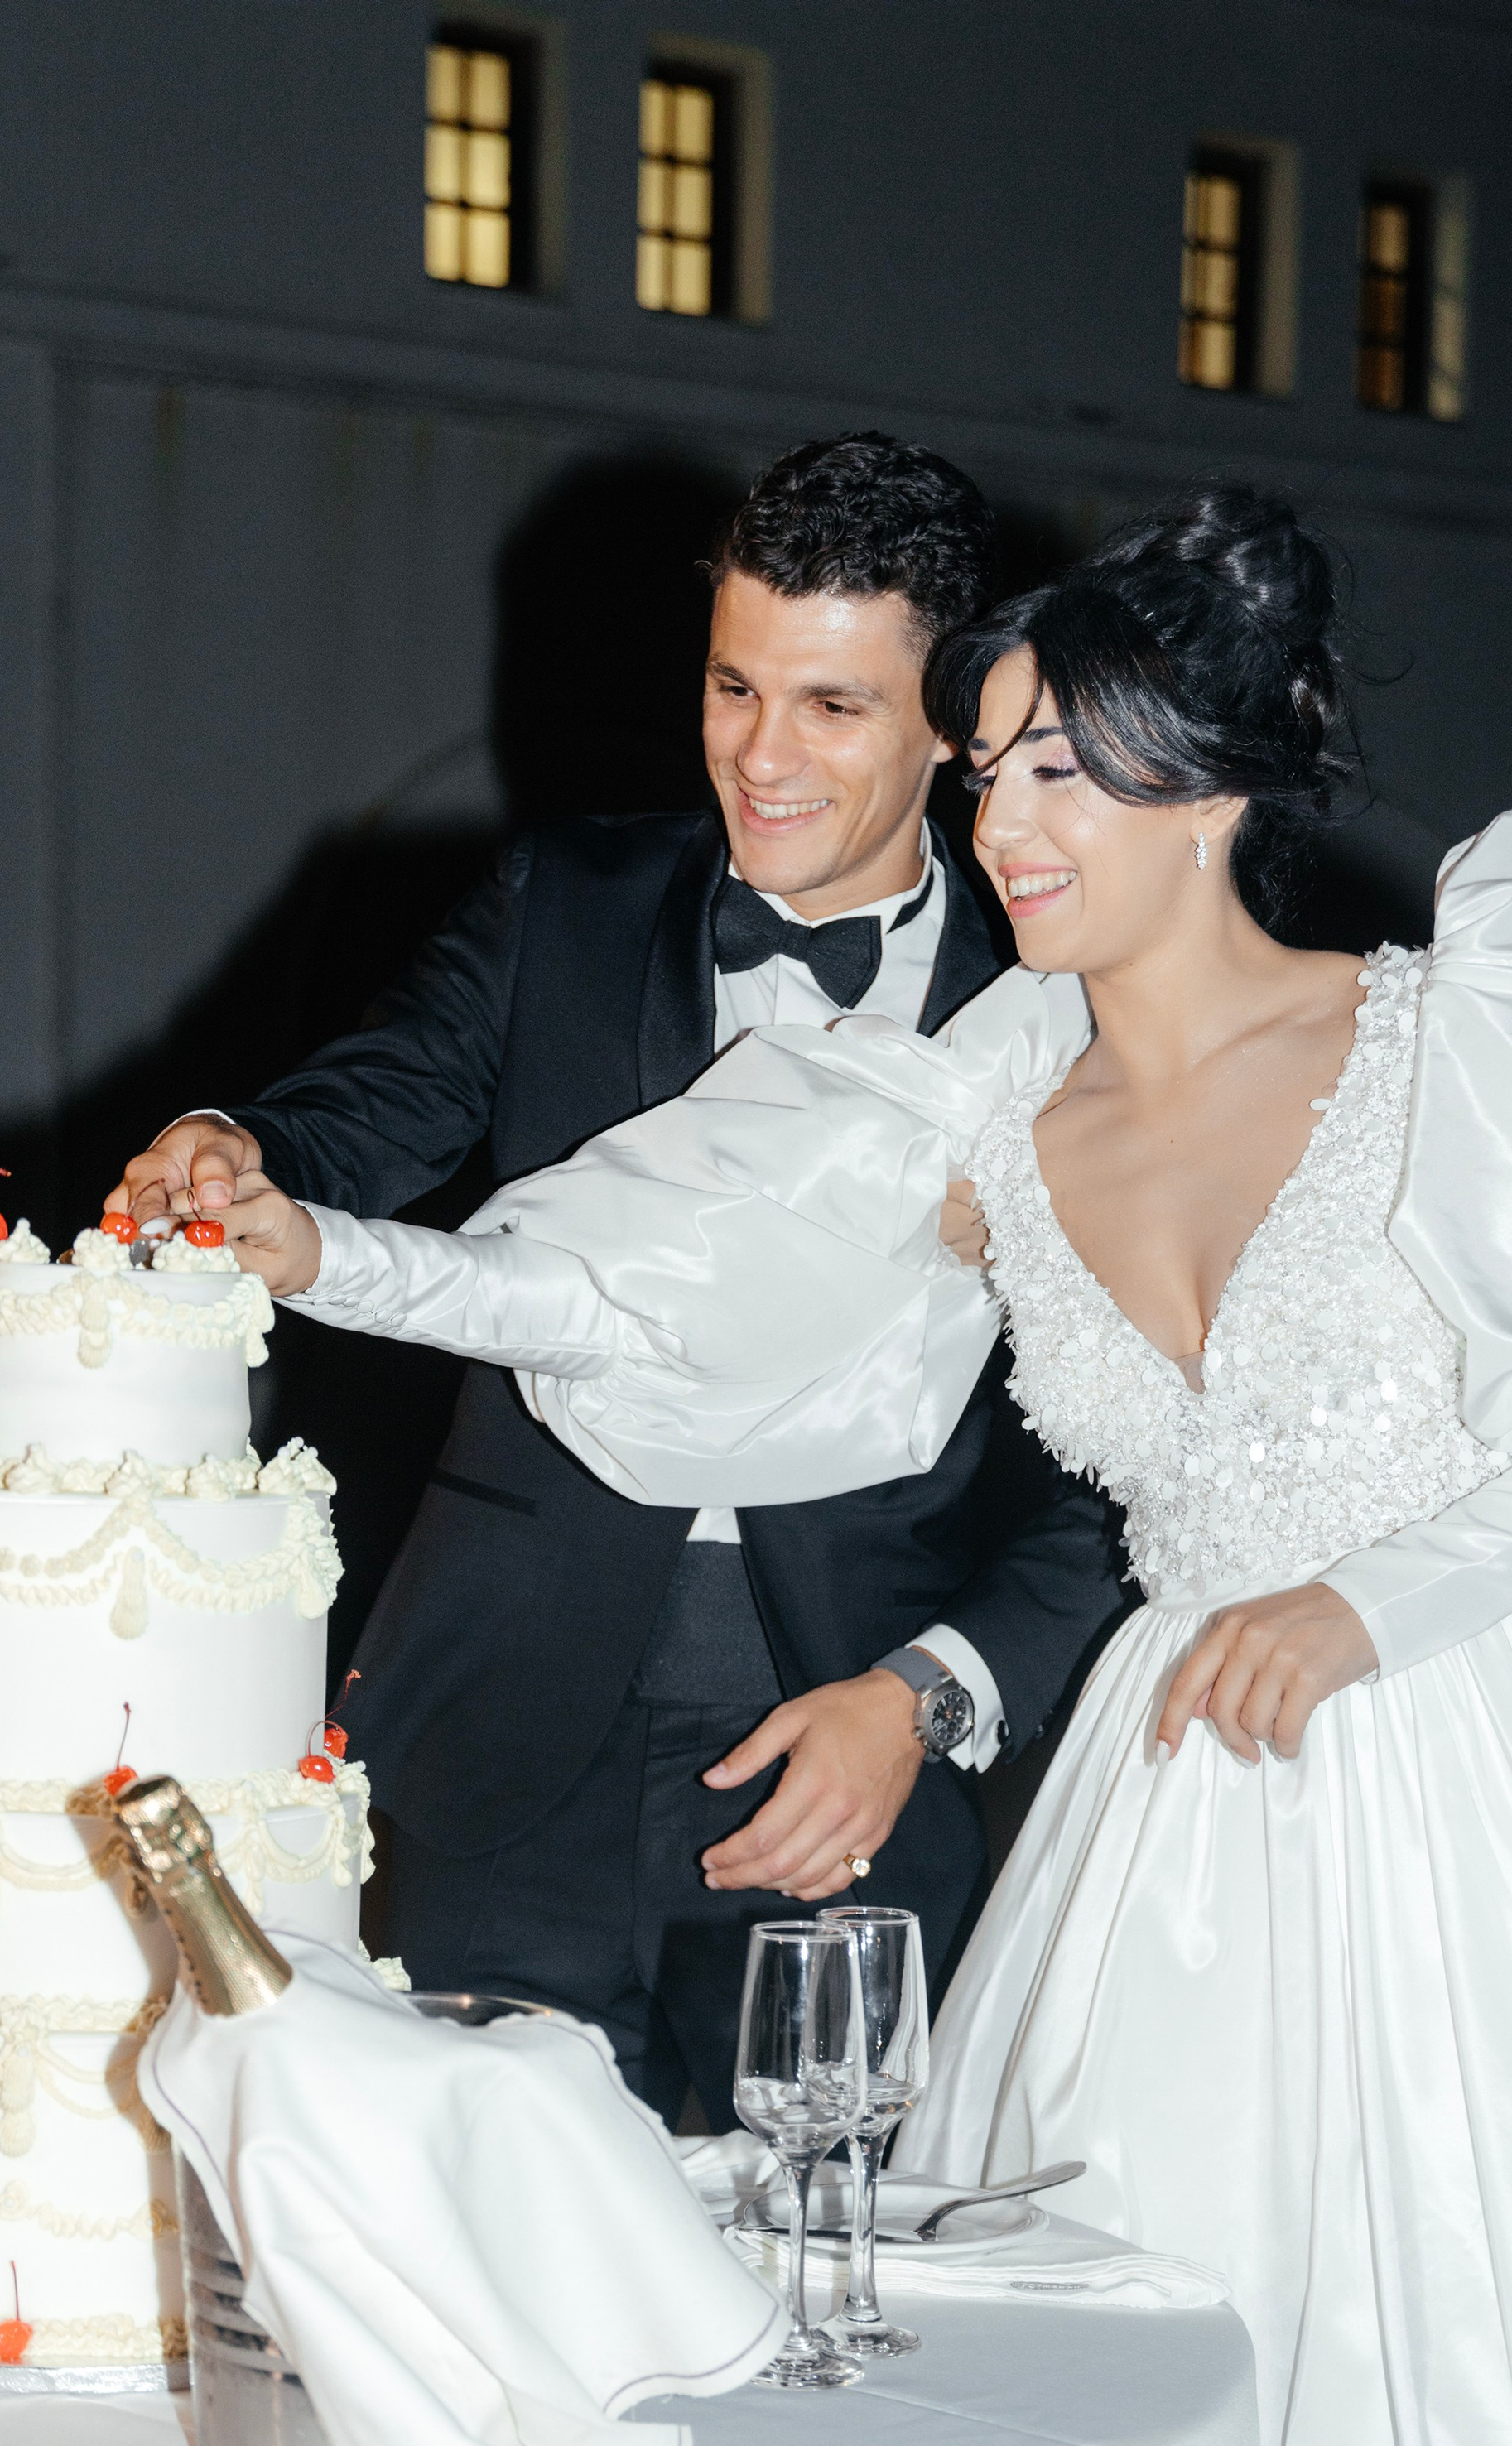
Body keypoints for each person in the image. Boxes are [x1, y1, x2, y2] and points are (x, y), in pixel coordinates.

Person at [168, 482, 1512, 2446]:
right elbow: (613, 1297)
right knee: (1100, 2432)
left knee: (1485, 2415)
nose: (1006, 827)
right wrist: (317, 1249)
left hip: (1463, 1771)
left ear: (1222, 785)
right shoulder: (988, 1103)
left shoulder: (1444, 1028)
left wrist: (1389, 1598)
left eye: (1058, 775)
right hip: (1174, 1813)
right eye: (1001, 774)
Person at [110, 433, 1128, 2127]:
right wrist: (235, 1148)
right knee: (480, 2275)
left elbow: (1126, 1462)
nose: (761, 756)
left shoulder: (1069, 1014)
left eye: (831, 706)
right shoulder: (565, 901)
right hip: (501, 1742)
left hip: (846, 1764)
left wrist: (927, 1696)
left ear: (954, 725)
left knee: (805, 2285)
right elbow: (378, 1098)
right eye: (734, 687)